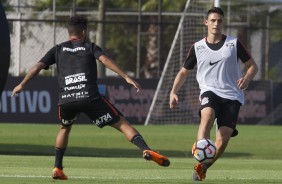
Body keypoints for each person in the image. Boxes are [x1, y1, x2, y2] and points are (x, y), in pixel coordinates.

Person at [12, 15, 170, 180]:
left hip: (67, 99)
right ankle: (145, 149)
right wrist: (126, 77)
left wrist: (22, 84)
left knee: (65, 128)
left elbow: (38, 66)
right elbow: (105, 60)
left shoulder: (58, 49)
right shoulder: (89, 47)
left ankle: (57, 168)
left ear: (69, 32)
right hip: (90, 97)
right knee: (122, 124)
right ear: (84, 32)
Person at [169, 7, 258, 181]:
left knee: (223, 138)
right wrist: (173, 92)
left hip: (233, 96)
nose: (216, 23)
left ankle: (203, 166)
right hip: (209, 91)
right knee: (207, 117)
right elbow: (183, 72)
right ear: (206, 22)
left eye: (219, 21)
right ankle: (200, 155)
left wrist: (247, 77)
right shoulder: (198, 47)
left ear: (223, 23)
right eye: (213, 20)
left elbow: (253, 66)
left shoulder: (233, 43)